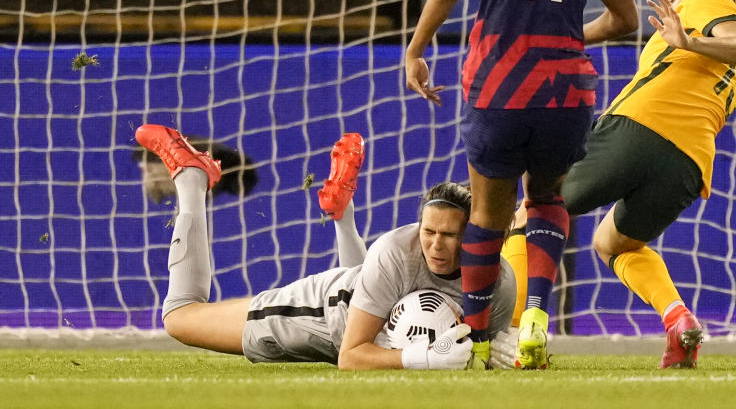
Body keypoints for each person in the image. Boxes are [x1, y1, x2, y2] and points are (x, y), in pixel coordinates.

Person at [404, 0, 639, 369]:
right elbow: (626, 19)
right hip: (567, 89)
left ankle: (480, 338)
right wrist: (561, 35)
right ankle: (536, 313)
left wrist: (415, 50)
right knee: (549, 198)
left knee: (487, 214)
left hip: (501, 83)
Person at [134, 124, 516, 370]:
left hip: (363, 296)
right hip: (320, 313)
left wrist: (499, 354)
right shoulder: (397, 249)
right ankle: (192, 178)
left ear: (471, 236)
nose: (435, 244)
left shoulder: (498, 282)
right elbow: (351, 355)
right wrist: (421, 358)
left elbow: (476, 351)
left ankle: (342, 212)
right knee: (180, 317)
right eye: (428, 231)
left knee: (370, 281)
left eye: (449, 235)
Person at [554, 0, 736, 369]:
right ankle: (677, 318)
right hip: (687, 163)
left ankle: (510, 331)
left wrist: (689, 42)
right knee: (612, 244)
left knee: (534, 210)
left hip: (640, 127)